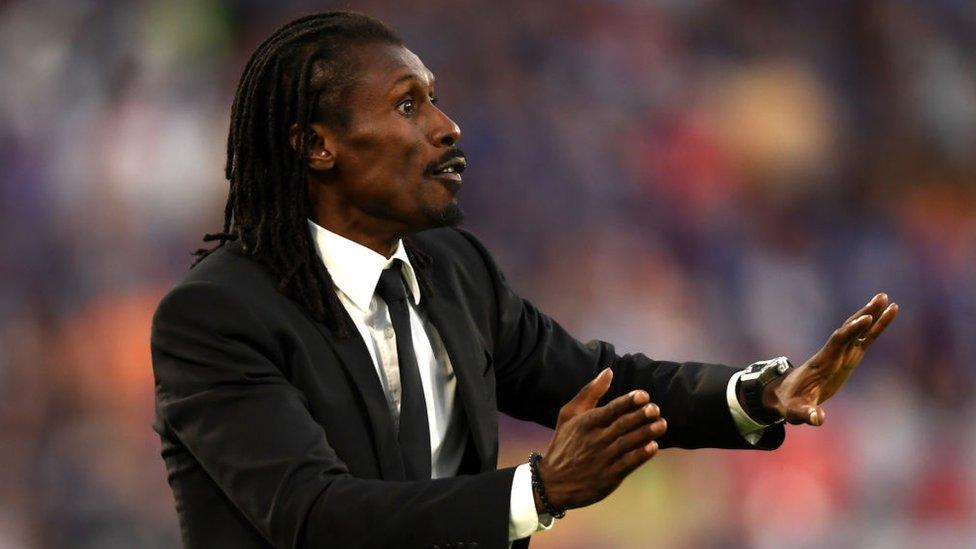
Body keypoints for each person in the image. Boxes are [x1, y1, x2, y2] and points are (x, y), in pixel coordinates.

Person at [150, 11, 899, 549]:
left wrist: (758, 395)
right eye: (408, 105)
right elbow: (313, 516)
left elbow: (600, 380)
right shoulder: (217, 315)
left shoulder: (454, 271)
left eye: (435, 97)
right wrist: (536, 491)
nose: (447, 126)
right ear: (317, 146)